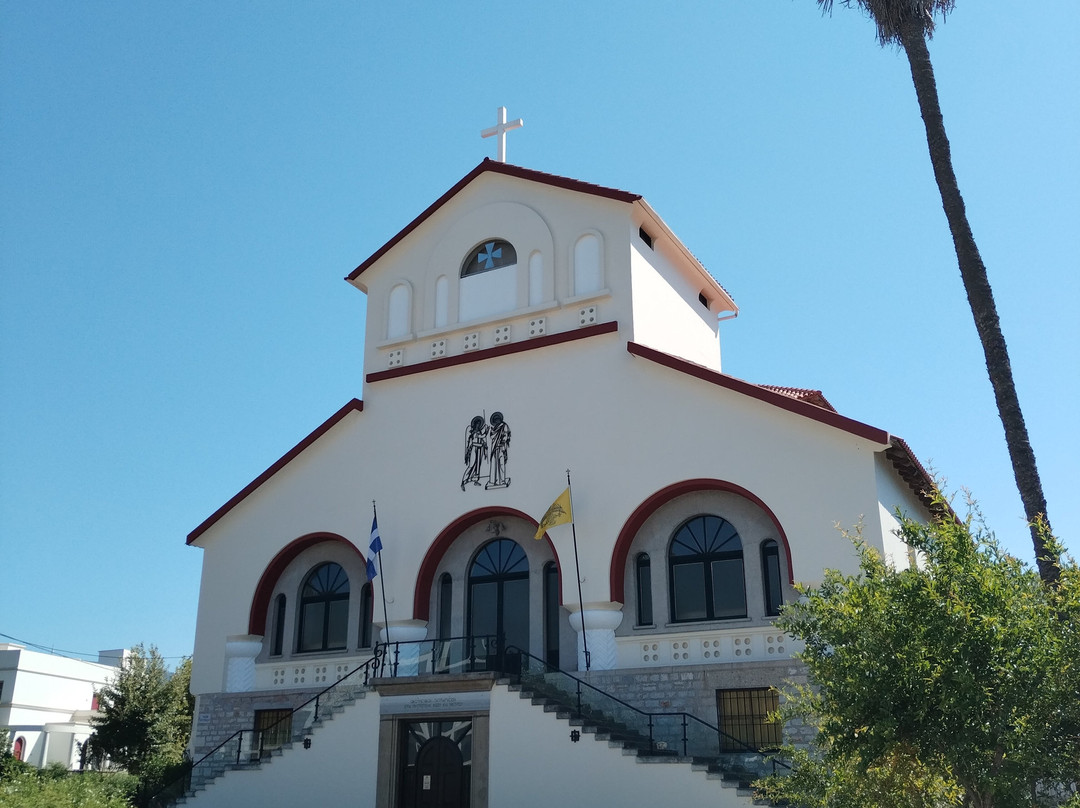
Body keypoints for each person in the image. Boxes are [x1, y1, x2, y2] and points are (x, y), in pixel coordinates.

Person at [461, 415, 488, 490]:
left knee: (477, 465)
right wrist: (486, 432)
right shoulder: (473, 432)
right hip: (474, 449)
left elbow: (482, 438)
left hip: (480, 449)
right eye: (477, 424)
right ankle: (463, 481)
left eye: (479, 424)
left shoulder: (479, 431)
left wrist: (484, 444)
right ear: (475, 424)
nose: (478, 425)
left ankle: (475, 480)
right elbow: (480, 437)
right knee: (471, 465)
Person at [485, 411, 511, 489]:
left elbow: (506, 435)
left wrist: (502, 442)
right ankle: (493, 480)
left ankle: (502, 480)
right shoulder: (494, 428)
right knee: (494, 464)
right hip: (494, 447)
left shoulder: (504, 426)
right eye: (495, 420)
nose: (497, 421)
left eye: (497, 419)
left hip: (501, 447)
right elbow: (491, 437)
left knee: (501, 463)